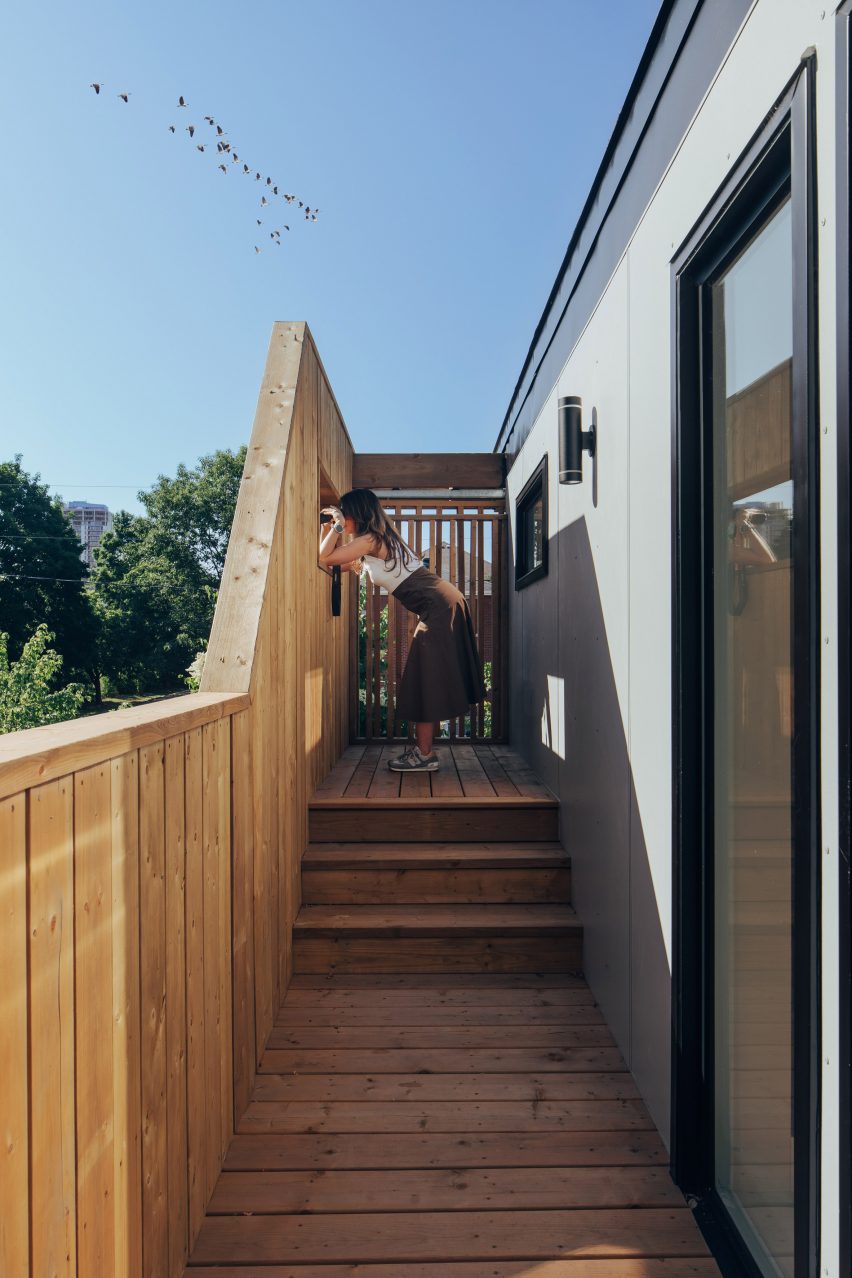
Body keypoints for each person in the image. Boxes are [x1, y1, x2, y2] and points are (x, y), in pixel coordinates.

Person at [318, 488, 485, 772]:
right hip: (443, 603)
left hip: (440, 606)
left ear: (355, 513)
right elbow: (337, 562)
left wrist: (334, 526)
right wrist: (330, 528)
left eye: (344, 514)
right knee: (427, 676)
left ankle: (425, 755)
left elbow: (325, 558)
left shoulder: (370, 540)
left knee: (424, 677)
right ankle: (425, 751)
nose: (342, 520)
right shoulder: (373, 544)